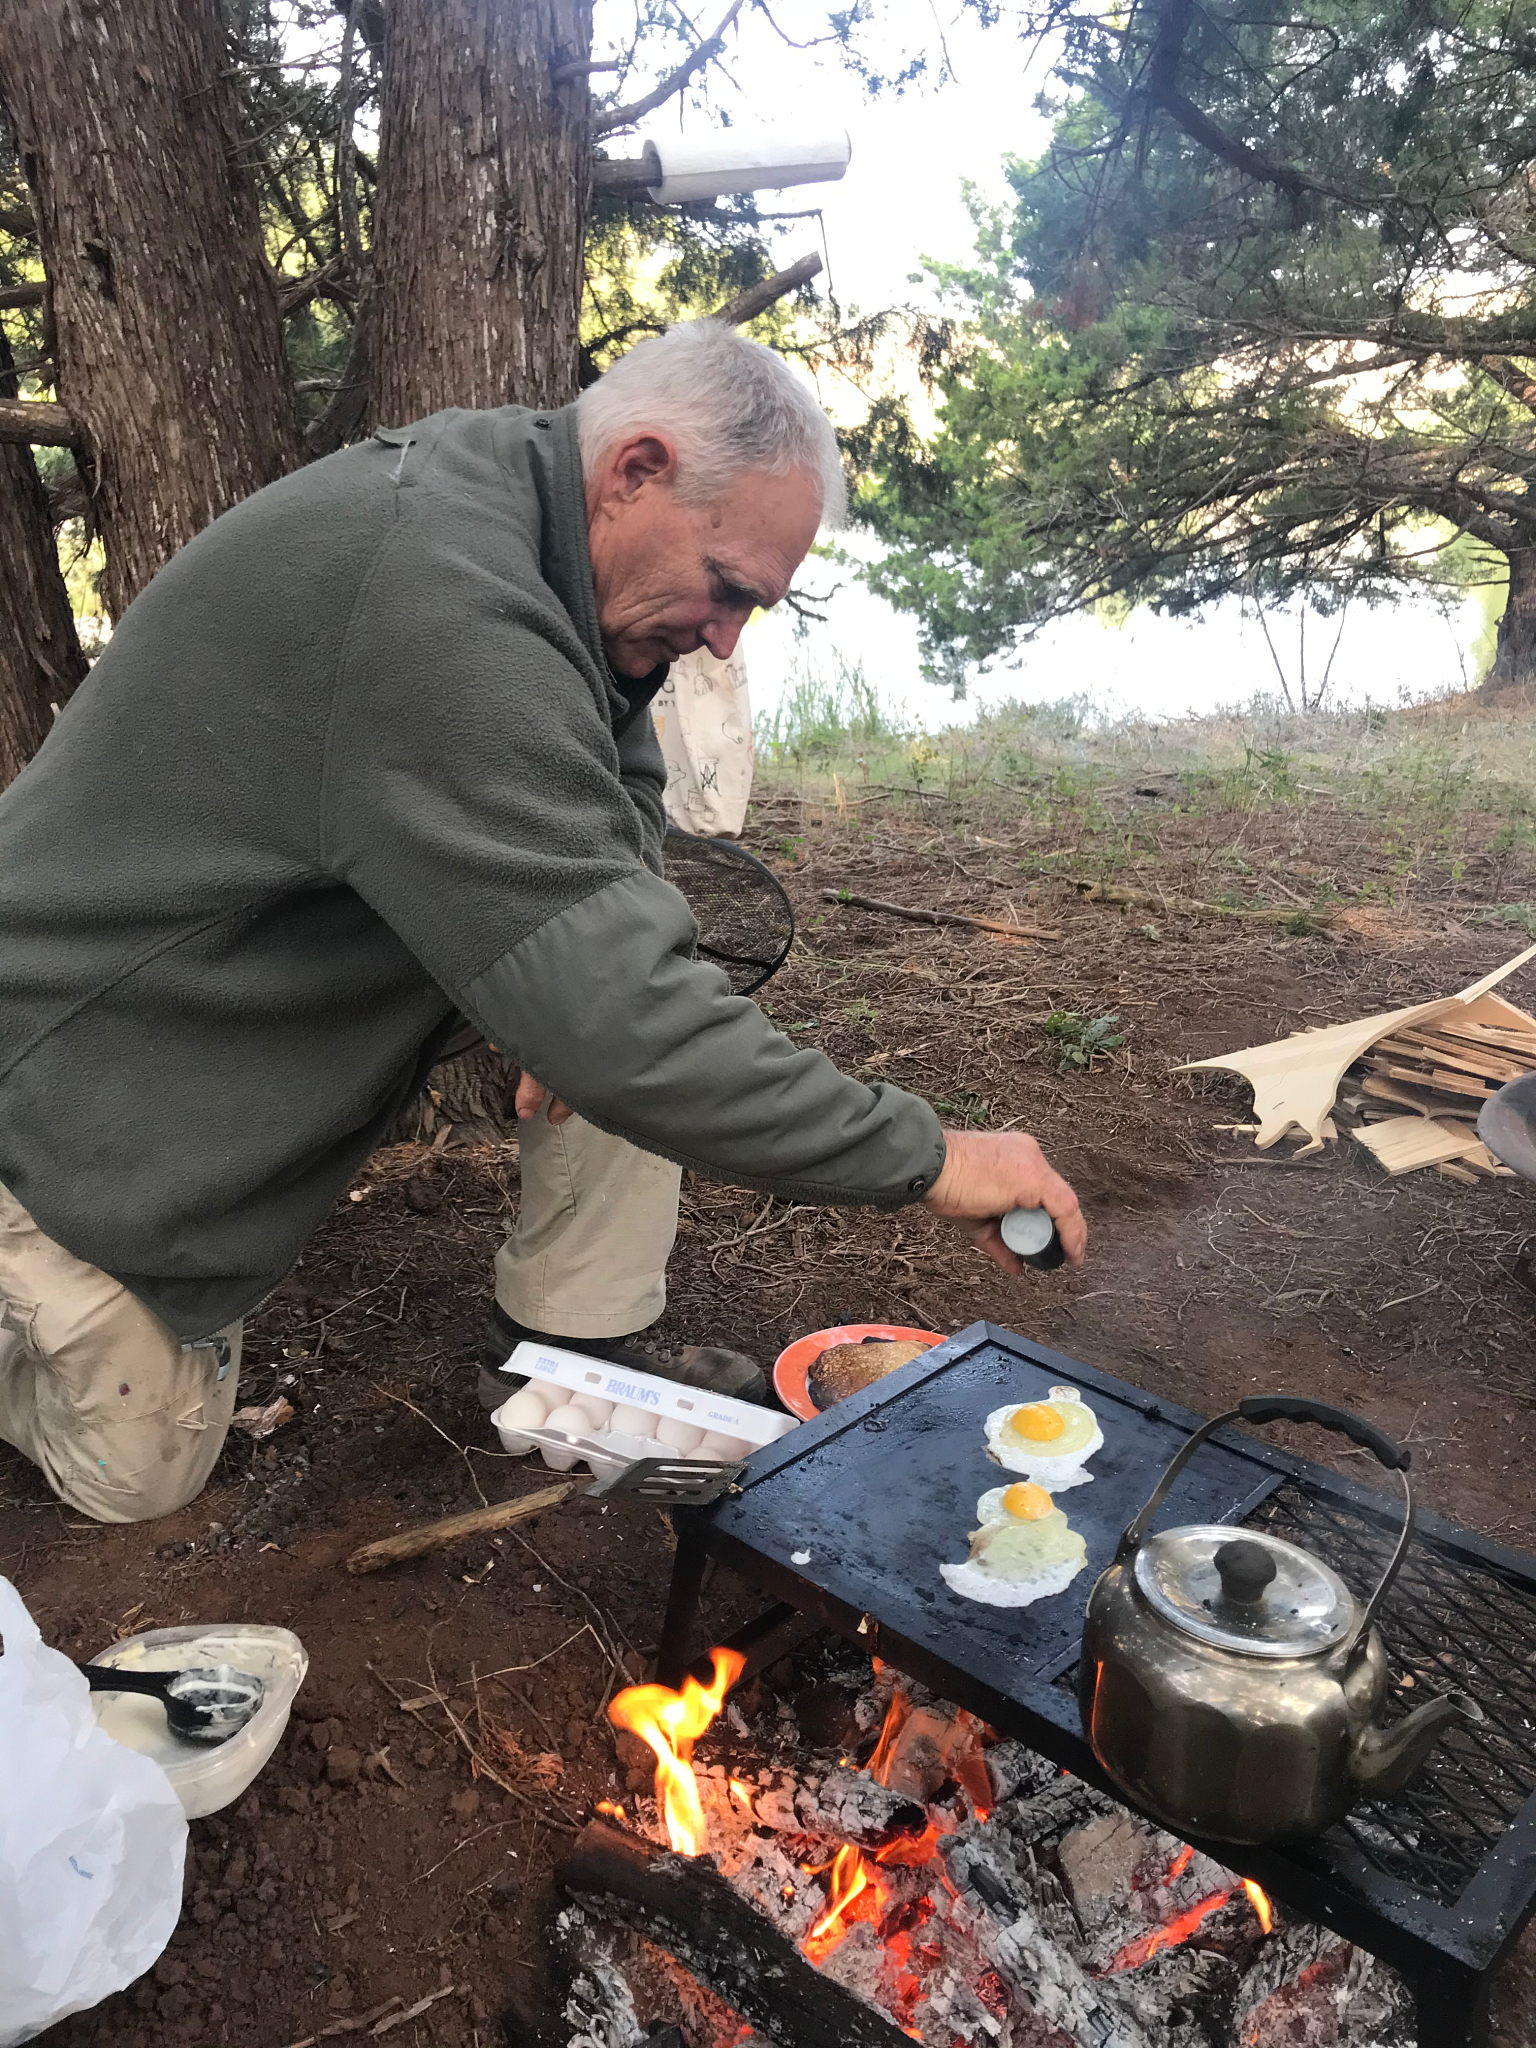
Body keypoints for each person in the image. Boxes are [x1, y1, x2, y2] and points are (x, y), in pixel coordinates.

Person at [0, 321, 1085, 1526]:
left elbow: (622, 797)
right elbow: (627, 1027)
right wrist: (935, 1156)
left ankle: (572, 1339)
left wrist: (563, 1001)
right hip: (63, 1071)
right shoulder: (437, 601)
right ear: (638, 469)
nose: (726, 636)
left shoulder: (537, 517)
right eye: (728, 587)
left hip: (253, 970)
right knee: (139, 1477)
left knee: (630, 966)